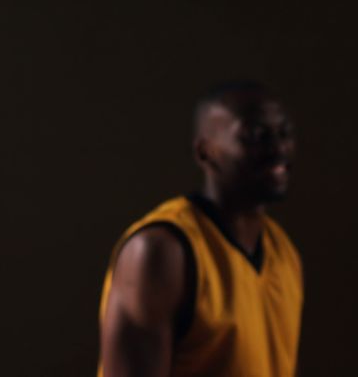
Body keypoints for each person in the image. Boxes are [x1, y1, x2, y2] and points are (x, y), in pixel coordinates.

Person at [98, 82, 303, 377]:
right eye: (256, 136)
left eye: (284, 134)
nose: (279, 149)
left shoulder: (283, 253)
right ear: (205, 152)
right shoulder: (160, 252)